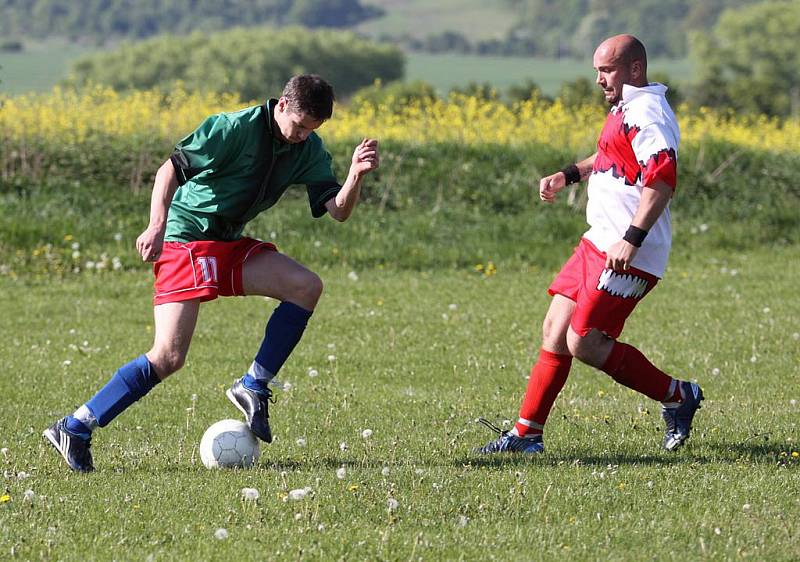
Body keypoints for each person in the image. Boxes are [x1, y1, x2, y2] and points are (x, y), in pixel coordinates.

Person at [44, 74, 380, 472]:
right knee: (168, 356)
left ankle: (253, 384)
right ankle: (76, 427)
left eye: (313, 130)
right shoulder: (232, 128)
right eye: (301, 126)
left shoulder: (308, 149)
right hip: (186, 238)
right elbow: (168, 170)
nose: (304, 136)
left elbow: (338, 210)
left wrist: (355, 175)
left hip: (227, 243)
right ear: (283, 106)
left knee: (305, 286)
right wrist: (156, 225)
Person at [477, 35, 703, 455]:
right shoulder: (626, 108)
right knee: (555, 329)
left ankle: (678, 395)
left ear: (635, 69)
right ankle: (527, 436)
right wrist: (569, 174)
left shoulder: (648, 112)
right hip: (597, 240)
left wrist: (631, 240)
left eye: (606, 71)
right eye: (597, 71)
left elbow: (662, 179)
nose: (599, 80)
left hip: (629, 252)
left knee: (586, 342)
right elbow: (609, 156)